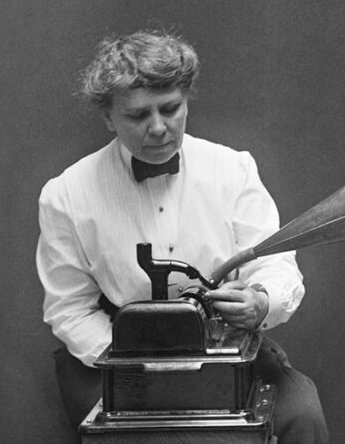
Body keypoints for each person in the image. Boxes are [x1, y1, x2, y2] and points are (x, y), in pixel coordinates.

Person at [36, 30, 330, 443]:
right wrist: (134, 360)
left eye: (170, 109)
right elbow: (69, 309)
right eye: (137, 115)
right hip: (117, 360)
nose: (158, 128)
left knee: (302, 415)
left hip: (223, 349)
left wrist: (261, 302)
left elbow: (276, 262)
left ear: (186, 99)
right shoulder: (65, 195)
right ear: (108, 117)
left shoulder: (233, 170)